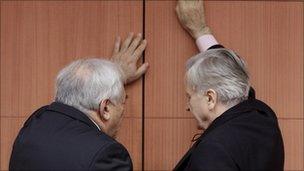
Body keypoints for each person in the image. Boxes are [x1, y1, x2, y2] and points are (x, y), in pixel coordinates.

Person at [9, 33, 149, 171]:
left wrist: (114, 74)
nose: (123, 111)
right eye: (123, 103)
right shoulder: (106, 154)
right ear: (105, 108)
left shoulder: (33, 128)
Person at [174, 0, 284, 170]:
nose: (187, 106)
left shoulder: (213, 151)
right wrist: (201, 32)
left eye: (189, 97)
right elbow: (236, 81)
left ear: (210, 98)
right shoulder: (264, 120)